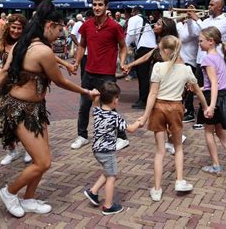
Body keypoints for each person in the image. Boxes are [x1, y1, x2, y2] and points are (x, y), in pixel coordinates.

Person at [0, 1, 99, 218]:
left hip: (35, 109)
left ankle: (29, 198)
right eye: (60, 29)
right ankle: (9, 192)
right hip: (20, 110)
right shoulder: (41, 50)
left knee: (40, 160)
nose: (61, 34)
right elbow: (60, 81)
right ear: (50, 25)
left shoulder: (24, 44)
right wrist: (86, 91)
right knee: (43, 161)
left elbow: (5, 71)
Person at [135, 35, 208, 201]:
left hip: (159, 107)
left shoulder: (158, 67)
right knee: (178, 147)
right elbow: (197, 91)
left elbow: (152, 93)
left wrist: (145, 115)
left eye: (160, 50)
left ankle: (157, 189)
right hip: (175, 108)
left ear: (166, 51)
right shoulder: (186, 69)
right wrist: (205, 107)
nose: (160, 53)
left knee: (160, 151)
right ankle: (179, 180)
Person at [71, 0, 129, 150]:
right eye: (94, 4)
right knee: (84, 106)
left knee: (109, 106)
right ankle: (82, 136)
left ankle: (122, 137)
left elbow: (123, 47)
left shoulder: (114, 26)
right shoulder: (87, 25)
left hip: (106, 74)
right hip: (88, 72)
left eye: (100, 5)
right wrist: (76, 62)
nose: (97, 7)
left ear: (106, 6)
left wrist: (122, 62)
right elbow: (82, 45)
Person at [123, 17, 185, 154]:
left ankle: (174, 139)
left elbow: (179, 61)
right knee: (163, 109)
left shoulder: (169, 42)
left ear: (166, 27)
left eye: (158, 24)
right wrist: (131, 65)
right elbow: (148, 56)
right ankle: (171, 139)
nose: (154, 25)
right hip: (160, 78)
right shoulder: (161, 41)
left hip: (166, 81)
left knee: (162, 108)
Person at [83, 81, 140, 215]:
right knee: (112, 176)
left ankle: (93, 191)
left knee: (108, 171)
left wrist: (96, 96)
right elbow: (131, 129)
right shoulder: (115, 116)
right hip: (106, 151)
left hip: (97, 149)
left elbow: (96, 102)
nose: (118, 100)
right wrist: (138, 122)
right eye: (117, 97)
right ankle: (108, 206)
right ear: (114, 101)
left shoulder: (96, 111)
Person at [197, 26, 226, 180]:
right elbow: (216, 83)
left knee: (209, 131)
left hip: (214, 98)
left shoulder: (207, 59)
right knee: (221, 132)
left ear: (210, 41)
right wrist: (201, 88)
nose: (199, 43)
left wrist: (210, 106)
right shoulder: (219, 56)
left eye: (201, 41)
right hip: (225, 96)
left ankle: (216, 165)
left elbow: (214, 84)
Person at [0, 14, 32, 165]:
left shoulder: (27, 43)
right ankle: (11, 151)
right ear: (8, 27)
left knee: (25, 119)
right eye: (13, 27)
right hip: (6, 87)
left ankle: (28, 149)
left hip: (24, 85)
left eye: (19, 28)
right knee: (6, 120)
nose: (16, 31)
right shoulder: (2, 44)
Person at [188, 0, 226, 130]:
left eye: (212, 5)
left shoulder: (225, 21)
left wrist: (197, 19)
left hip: (213, 61)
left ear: (219, 7)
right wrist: (189, 20)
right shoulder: (206, 20)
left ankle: (208, 115)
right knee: (201, 88)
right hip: (201, 59)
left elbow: (211, 33)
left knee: (210, 88)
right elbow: (194, 34)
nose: (209, 7)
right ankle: (202, 115)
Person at [125, 6, 157, 109]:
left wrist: (124, 46)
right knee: (146, 75)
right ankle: (144, 98)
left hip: (144, 48)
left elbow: (130, 34)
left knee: (142, 75)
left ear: (133, 12)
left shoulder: (133, 19)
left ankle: (143, 100)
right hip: (152, 46)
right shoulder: (145, 19)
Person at [177, 1, 201, 123]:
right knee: (182, 87)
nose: (188, 11)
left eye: (191, 9)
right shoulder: (184, 24)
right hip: (182, 58)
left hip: (190, 59)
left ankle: (190, 111)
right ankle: (184, 109)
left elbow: (190, 35)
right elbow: (179, 37)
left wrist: (191, 19)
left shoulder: (196, 24)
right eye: (187, 9)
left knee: (189, 88)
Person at [70, 13, 86, 79]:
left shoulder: (84, 23)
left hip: (87, 50)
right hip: (83, 50)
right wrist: (78, 44)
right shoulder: (78, 24)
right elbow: (72, 35)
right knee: (84, 69)